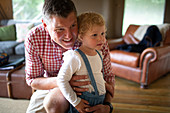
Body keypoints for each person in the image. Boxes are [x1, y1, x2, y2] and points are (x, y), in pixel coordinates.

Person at [25, 0, 115, 113]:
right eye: (60, 29)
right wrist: (63, 81)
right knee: (54, 101)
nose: (69, 36)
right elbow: (33, 80)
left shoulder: (95, 38)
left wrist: (107, 106)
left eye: (73, 25)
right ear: (45, 25)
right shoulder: (34, 37)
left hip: (90, 91)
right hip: (51, 87)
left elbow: (108, 77)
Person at [57, 12, 108, 113]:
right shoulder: (75, 57)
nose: (101, 38)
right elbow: (61, 80)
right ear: (81, 37)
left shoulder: (99, 54)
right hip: (84, 103)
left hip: (100, 100)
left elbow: (96, 74)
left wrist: (105, 84)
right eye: (94, 35)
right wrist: (76, 102)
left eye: (103, 33)